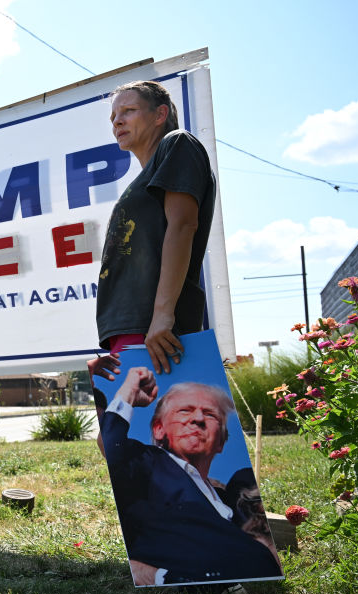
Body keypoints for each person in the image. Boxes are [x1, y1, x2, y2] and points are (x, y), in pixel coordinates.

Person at [101, 366, 282, 586]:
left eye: (210, 414)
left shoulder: (232, 496)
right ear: (159, 430)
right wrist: (129, 391)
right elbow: (112, 447)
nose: (198, 419)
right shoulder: (146, 463)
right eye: (185, 411)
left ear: (221, 441)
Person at [96, 80, 216, 374]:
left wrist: (163, 315)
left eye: (129, 110)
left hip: (155, 331)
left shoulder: (178, 143)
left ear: (160, 114)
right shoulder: (142, 179)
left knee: (169, 405)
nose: (117, 121)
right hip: (132, 329)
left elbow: (183, 225)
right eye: (113, 116)